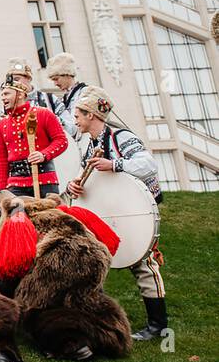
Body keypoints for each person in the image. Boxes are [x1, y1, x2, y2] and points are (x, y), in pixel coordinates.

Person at [65, 87, 167, 341]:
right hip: (111, 212)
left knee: (143, 262)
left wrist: (115, 165)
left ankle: (158, 325)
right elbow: (90, 180)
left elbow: (148, 165)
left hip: (136, 211)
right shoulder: (90, 144)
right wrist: (74, 185)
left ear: (91, 115)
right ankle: (98, 318)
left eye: (78, 113)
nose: (74, 118)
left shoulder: (121, 137)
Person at [0, 71, 67, 198]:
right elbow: (1, 160)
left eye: (6, 94)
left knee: (50, 217)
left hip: (45, 180)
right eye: (1, 95)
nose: (3, 98)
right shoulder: (2, 124)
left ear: (21, 94)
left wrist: (43, 154)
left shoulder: (44, 114)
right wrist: (2, 190)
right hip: (15, 183)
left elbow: (61, 141)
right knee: (15, 218)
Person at [45, 52, 86, 139]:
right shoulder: (66, 97)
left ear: (67, 74)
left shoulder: (84, 92)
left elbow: (77, 124)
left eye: (56, 79)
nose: (55, 83)